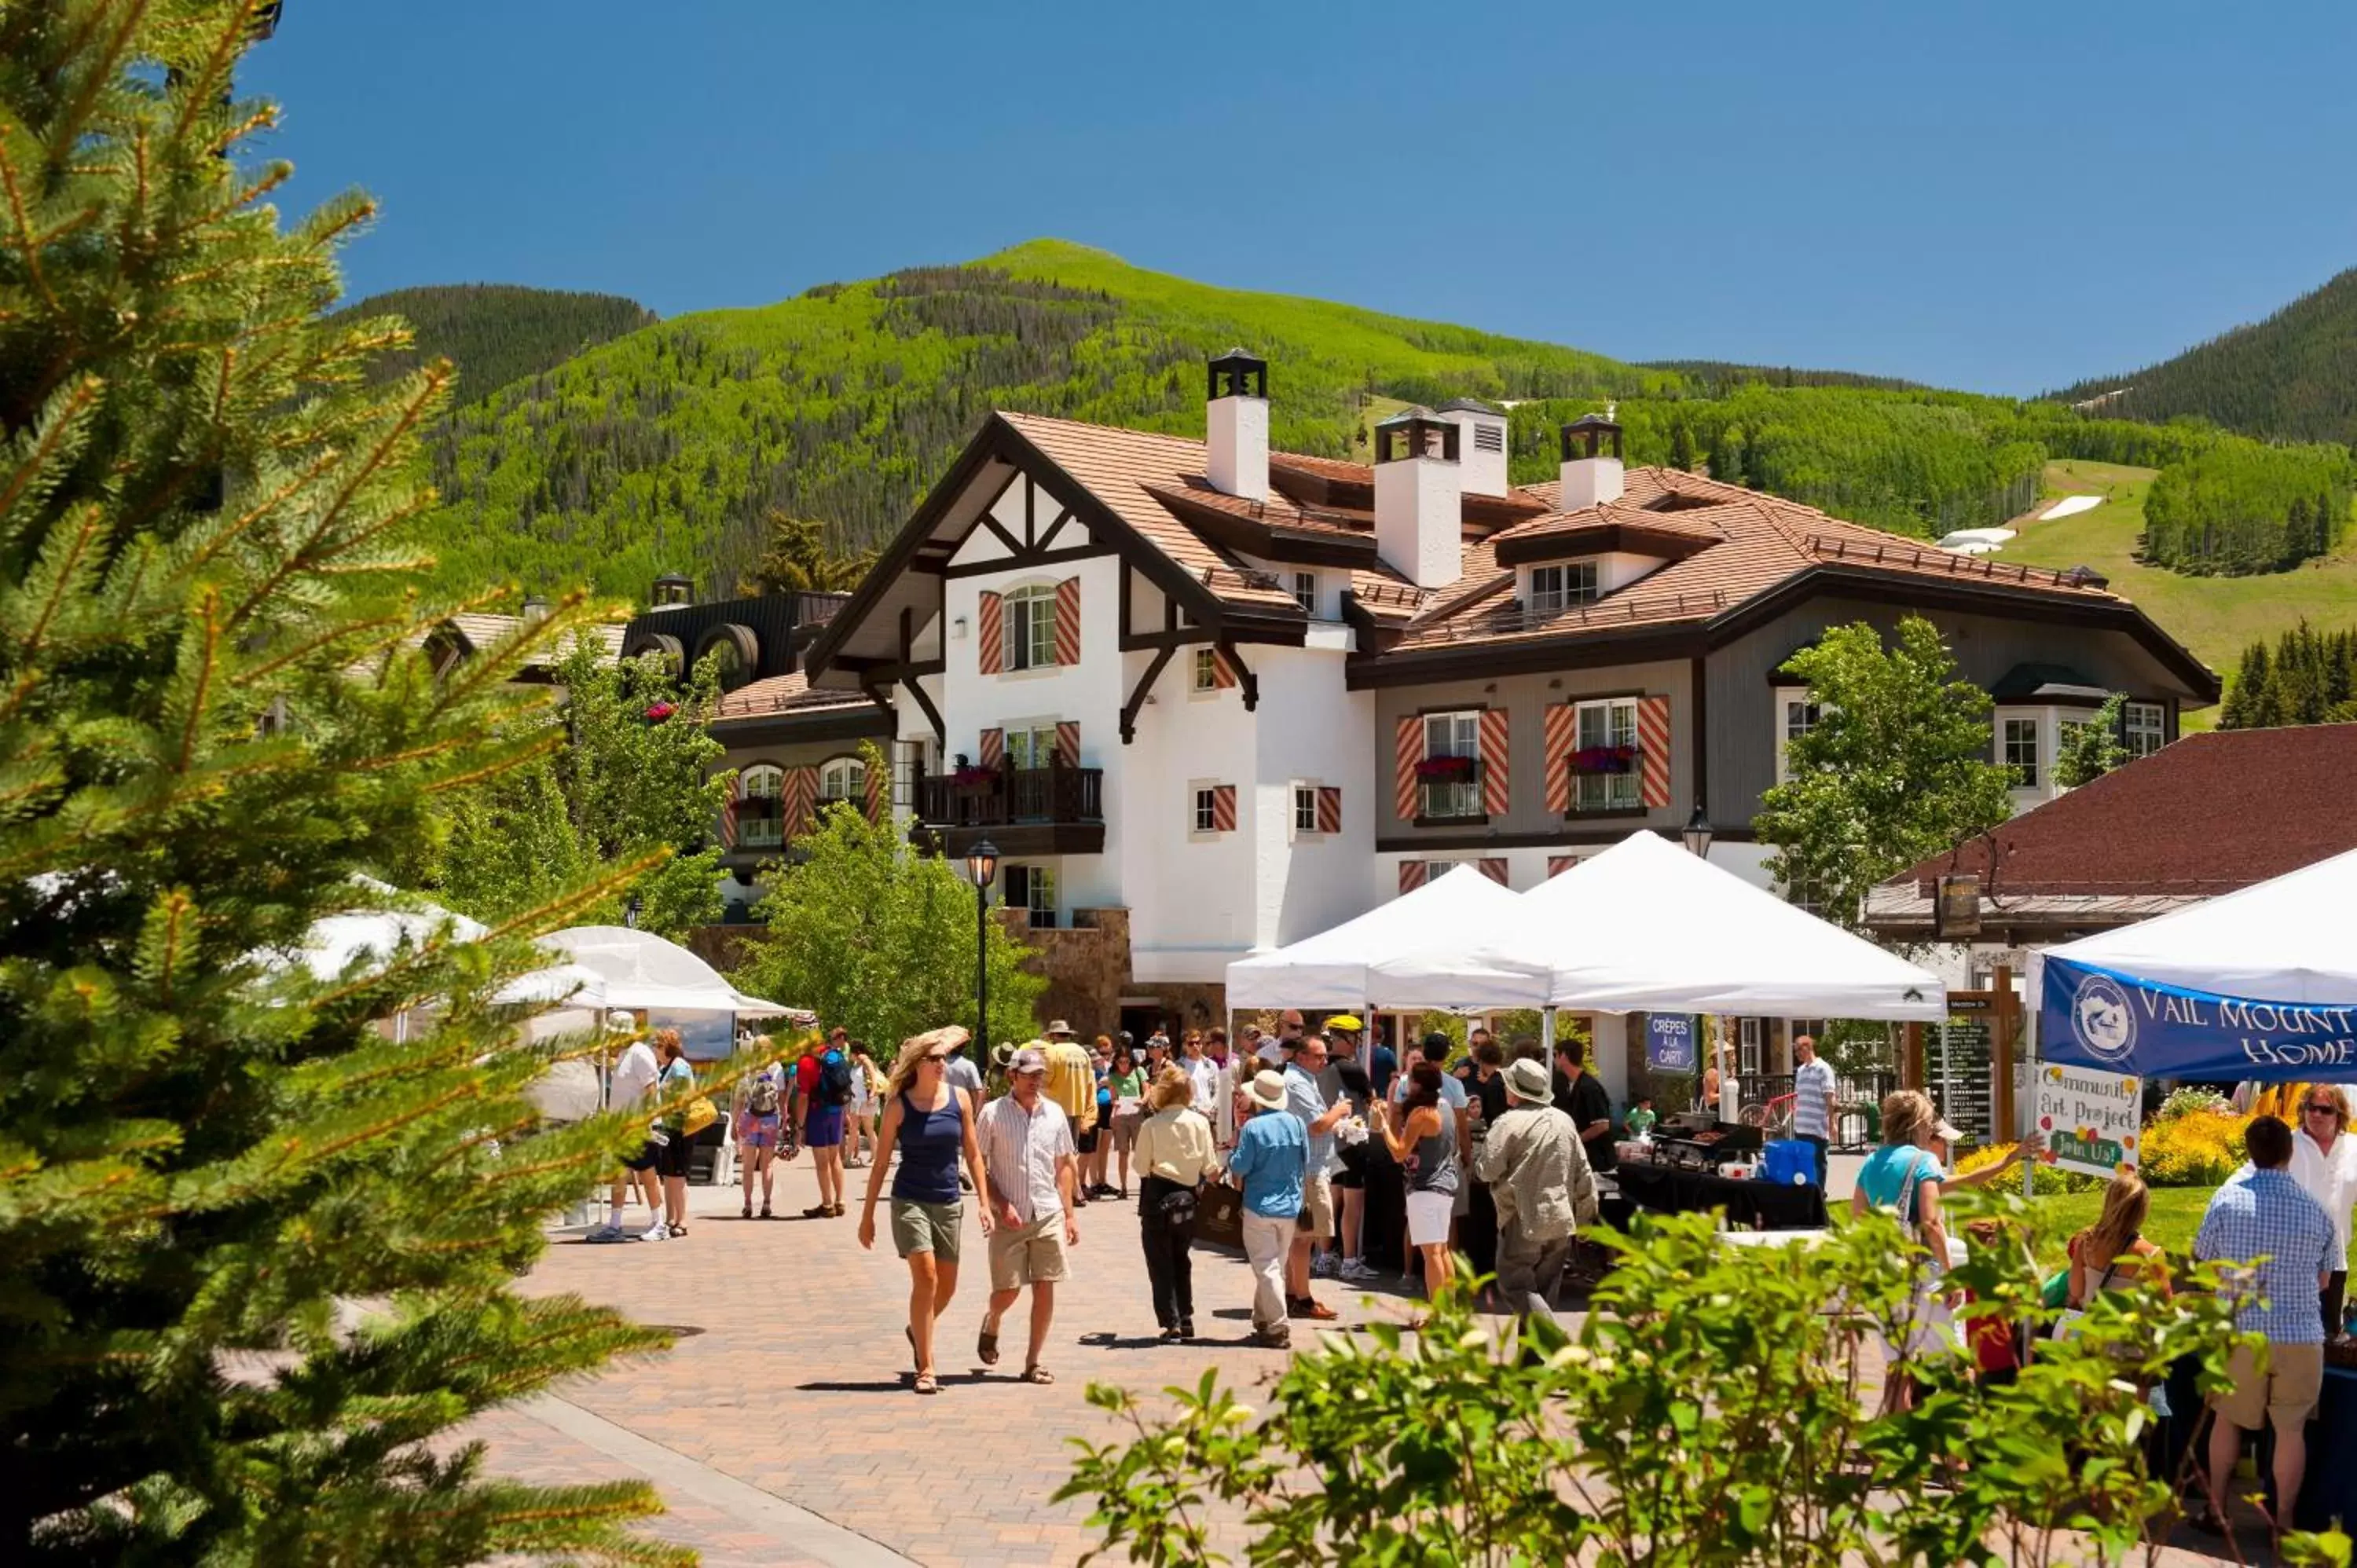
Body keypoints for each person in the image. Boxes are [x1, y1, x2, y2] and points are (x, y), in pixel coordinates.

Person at [2193, 1113, 2334, 1536]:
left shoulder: (2225, 1200)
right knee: (2291, 1432)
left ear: (2250, 1153)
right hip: (2301, 1336)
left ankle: (2218, 1511)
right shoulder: (2316, 1210)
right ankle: (2284, 1524)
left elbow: (2204, 1264)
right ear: (2289, 1154)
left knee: (2226, 1419)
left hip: (2240, 1332)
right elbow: (2324, 1281)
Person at [858, 1026, 992, 1396]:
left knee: (947, 1286)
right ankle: (927, 1367)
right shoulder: (898, 1106)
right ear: (917, 1064)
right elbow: (881, 1163)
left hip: (948, 1200)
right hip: (910, 1199)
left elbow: (974, 1153)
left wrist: (983, 1201)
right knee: (927, 1276)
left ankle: (918, 1328)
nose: (942, 1065)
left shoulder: (960, 1099)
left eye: (943, 1058)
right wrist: (867, 1215)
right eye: (934, 1059)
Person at [975, 1046, 1080, 1386]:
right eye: (1030, 1075)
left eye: (1040, 1075)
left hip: (1047, 1211)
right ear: (1012, 1075)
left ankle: (1033, 1362)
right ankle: (993, 1320)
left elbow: (1064, 1165)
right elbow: (977, 1165)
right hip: (1009, 1218)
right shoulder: (992, 1114)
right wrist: (1000, 1204)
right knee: (1008, 1291)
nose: (1036, 1081)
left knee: (1045, 1287)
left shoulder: (1055, 1114)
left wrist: (1069, 1214)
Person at [1474, 1057, 1597, 1335]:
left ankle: (1560, 1348)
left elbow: (1487, 1171)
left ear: (1515, 1091)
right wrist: (1586, 1220)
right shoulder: (1564, 1121)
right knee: (1541, 1294)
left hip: (1522, 1216)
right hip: (1561, 1218)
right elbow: (1584, 1175)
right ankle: (1532, 1370)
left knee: (1515, 1285)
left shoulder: (1508, 1122)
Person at [1850, 1089, 1949, 1416]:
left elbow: (1859, 1222)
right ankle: (1957, 1461)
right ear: (1918, 1124)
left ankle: (1900, 1452)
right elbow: (1933, 1223)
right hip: (1925, 1276)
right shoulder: (1925, 1161)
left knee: (1896, 1371)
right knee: (1955, 1370)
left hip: (1887, 1278)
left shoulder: (1870, 1163)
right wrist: (1951, 1273)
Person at [1135, 1064, 1222, 1339]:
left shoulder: (1151, 1125)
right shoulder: (1199, 1123)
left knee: (1159, 1262)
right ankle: (1186, 1316)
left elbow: (1139, 1166)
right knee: (1181, 1259)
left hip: (1157, 1194)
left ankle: (1170, 1320)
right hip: (1187, 1197)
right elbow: (1211, 1168)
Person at [1372, 1061, 1459, 1322]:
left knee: (1431, 1253)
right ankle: (1448, 1311)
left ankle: (1436, 1316)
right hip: (1444, 1183)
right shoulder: (1446, 1108)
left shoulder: (1422, 1113)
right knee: (1442, 1251)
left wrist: (1383, 1126)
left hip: (1425, 1186)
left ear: (1418, 1085)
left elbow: (1399, 1153)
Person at [1229, 1069, 1310, 1348]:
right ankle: (1262, 1318)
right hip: (1289, 1206)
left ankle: (1277, 1326)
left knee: (1266, 1267)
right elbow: (1304, 1161)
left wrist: (1232, 1152)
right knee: (1275, 1266)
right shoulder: (1297, 1123)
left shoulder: (1252, 1128)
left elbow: (1240, 1167)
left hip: (1259, 1206)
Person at [1281, 1031, 1349, 1321]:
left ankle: (1292, 1294)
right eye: (1319, 1056)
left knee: (1301, 1237)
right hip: (1308, 1168)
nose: (1325, 1061)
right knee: (1304, 1237)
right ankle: (1302, 1298)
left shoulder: (1305, 1079)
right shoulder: (1296, 1082)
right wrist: (1340, 1110)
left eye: (1326, 1055)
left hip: (1311, 1164)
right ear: (1301, 1057)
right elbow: (1317, 1124)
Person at [588, 1015, 663, 1242]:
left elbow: (651, 1090)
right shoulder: (624, 1054)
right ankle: (614, 1226)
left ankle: (658, 1223)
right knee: (618, 1176)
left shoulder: (639, 1054)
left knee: (648, 1174)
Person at [2290, 1084, 2354, 1339]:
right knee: (2289, 1333)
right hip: (2291, 1257)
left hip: (2335, 1257)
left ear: (2339, 1115)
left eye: (2325, 1110)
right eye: (2310, 1107)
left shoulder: (2354, 1148)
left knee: (2328, 1333)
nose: (2316, 1114)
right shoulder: (2287, 1144)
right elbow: (2249, 1179)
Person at [2066, 1170, 2171, 1309]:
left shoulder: (2086, 1241)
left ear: (2108, 1202)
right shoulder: (2151, 1255)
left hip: (2090, 1324)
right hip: (2128, 1329)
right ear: (2143, 1210)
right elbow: (2165, 1307)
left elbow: (2076, 1292)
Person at [1324, 1048, 1376, 1282]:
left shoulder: (1322, 1070)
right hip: (1352, 1142)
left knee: (1333, 1200)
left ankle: (1325, 1257)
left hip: (1333, 1143)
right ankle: (1349, 1261)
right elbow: (1372, 1098)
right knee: (1352, 1203)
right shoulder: (1351, 1069)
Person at [794, 1026, 855, 1218]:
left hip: (818, 1112)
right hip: (836, 1111)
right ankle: (840, 1201)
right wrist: (845, 1114)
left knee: (821, 1161)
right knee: (835, 1157)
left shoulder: (806, 1062)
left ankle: (827, 1204)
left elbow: (803, 1097)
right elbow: (843, 1086)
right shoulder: (833, 1054)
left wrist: (800, 1126)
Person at [650, 1030, 696, 1240]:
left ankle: (682, 1220)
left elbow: (685, 1097)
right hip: (667, 1125)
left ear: (665, 1047)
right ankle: (670, 1218)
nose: (654, 1049)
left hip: (679, 1125)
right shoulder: (664, 1068)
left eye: (657, 1045)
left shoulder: (679, 1067)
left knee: (677, 1176)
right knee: (668, 1175)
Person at [735, 1039, 786, 1219]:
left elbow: (739, 1101)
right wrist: (785, 1122)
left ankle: (748, 1204)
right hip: (770, 1119)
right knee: (768, 1165)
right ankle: (766, 1203)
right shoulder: (777, 1068)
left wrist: (734, 1123)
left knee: (748, 1166)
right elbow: (781, 1098)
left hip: (750, 1119)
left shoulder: (747, 1068)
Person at [1552, 1038, 1618, 1177]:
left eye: (1555, 1055)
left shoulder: (1589, 1087)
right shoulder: (1572, 1085)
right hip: (1586, 1160)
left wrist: (1575, 1139)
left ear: (1564, 1056)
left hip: (1598, 1163)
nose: (1553, 1060)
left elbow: (1602, 1125)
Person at [1791, 1033, 1838, 1187]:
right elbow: (1800, 1096)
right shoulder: (1801, 1071)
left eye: (1799, 1049)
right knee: (1802, 1168)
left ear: (1808, 1047)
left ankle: (1820, 1199)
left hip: (1817, 1128)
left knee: (1818, 1167)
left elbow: (1830, 1098)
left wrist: (1832, 1123)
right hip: (1801, 1127)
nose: (1797, 1053)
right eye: (1795, 1050)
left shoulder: (1823, 1069)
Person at [1104, 1042, 1148, 1199]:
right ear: (1116, 1062)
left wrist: (1142, 1101)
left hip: (1137, 1114)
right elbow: (1113, 1096)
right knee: (1123, 1152)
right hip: (1122, 1116)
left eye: (1126, 1061)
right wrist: (1114, 1104)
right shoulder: (1113, 1076)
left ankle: (1145, 1185)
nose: (1124, 1065)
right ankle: (1123, 1187)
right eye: (1120, 1062)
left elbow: (1147, 1090)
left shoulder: (1139, 1071)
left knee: (1141, 1152)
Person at [845, 1042, 883, 1168]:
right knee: (853, 1129)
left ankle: (875, 1157)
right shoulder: (856, 1064)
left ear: (855, 1052)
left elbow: (873, 1077)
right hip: (856, 1100)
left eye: (850, 1051)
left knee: (868, 1129)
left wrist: (872, 1094)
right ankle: (848, 1158)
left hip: (867, 1099)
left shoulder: (866, 1061)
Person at [1204, 1027, 1239, 1148]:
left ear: (1219, 1043)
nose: (1208, 1046)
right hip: (1216, 1105)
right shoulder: (1208, 1062)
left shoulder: (1235, 1060)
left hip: (1232, 1104)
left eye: (1210, 1043)